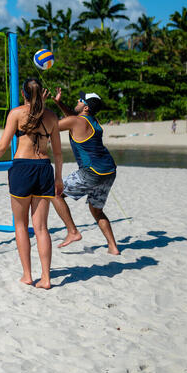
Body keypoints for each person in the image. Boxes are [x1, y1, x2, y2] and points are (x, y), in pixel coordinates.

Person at [0, 77, 62, 289]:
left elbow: (2, 146)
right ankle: (46, 278)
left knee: (20, 225)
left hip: (22, 168)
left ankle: (27, 275)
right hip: (44, 168)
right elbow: (59, 152)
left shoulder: (16, 113)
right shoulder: (52, 116)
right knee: (42, 228)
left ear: (24, 94)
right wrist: (58, 177)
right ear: (42, 92)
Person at [49, 89, 120, 256]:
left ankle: (72, 231)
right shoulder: (92, 120)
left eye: (81, 100)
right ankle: (113, 247)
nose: (78, 100)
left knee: (53, 192)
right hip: (109, 171)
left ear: (86, 107)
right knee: (96, 210)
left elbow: (50, 127)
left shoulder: (77, 121)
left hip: (92, 172)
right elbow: (73, 117)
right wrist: (59, 103)